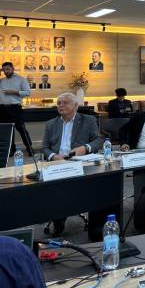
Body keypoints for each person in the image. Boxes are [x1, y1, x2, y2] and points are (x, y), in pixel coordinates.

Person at [41, 92, 103, 235]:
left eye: (65, 102)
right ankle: (59, 217)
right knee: (56, 188)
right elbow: (44, 148)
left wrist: (85, 148)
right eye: (59, 103)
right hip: (57, 163)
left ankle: (63, 213)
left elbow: (98, 140)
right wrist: (54, 156)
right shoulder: (50, 124)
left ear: (75, 106)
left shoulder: (88, 120)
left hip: (79, 162)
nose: (61, 105)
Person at [0, 62, 33, 156]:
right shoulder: (1, 81)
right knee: (7, 131)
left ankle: (30, 149)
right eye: (4, 70)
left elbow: (28, 93)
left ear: (13, 68)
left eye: (8, 69)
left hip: (15, 108)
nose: (6, 71)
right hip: (2, 109)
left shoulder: (21, 79)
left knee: (21, 129)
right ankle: (11, 150)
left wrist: (14, 92)